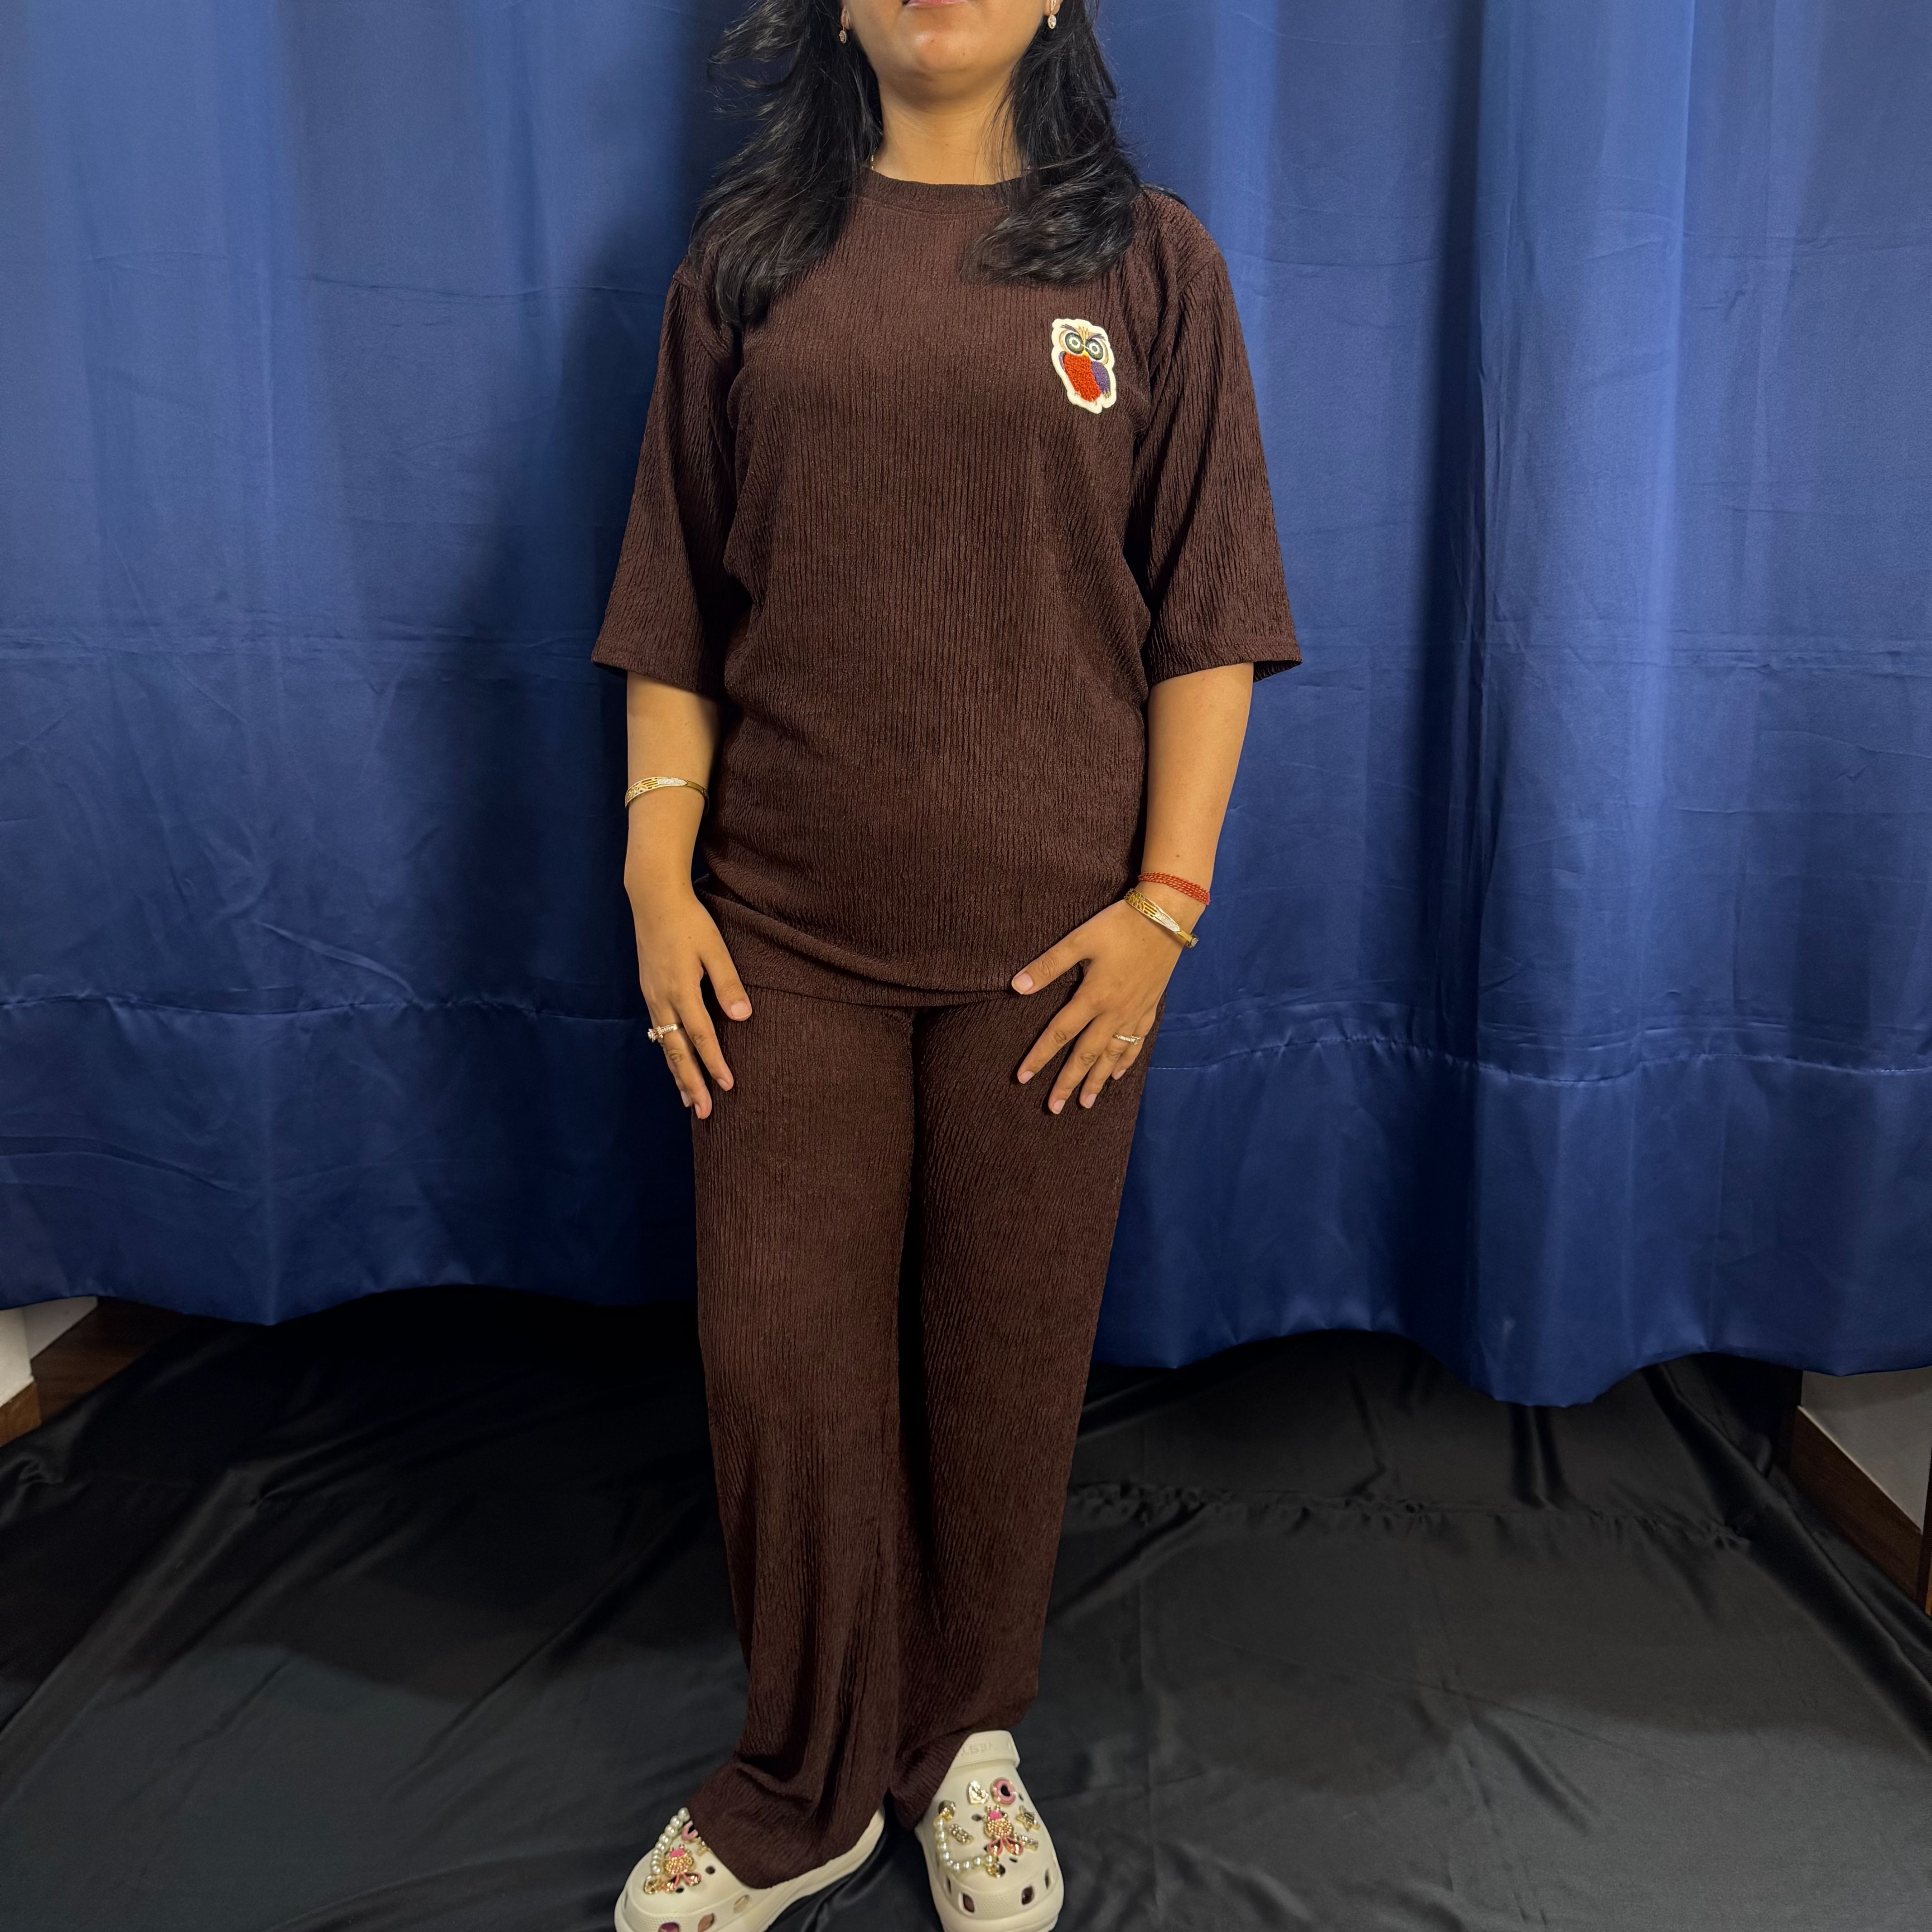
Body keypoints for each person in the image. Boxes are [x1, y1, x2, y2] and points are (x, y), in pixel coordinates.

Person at [591, 0, 1296, 1926]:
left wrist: (1164, 908)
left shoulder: (1150, 264)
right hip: (777, 943)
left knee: (1004, 1367)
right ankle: (805, 1779)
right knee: (781, 1371)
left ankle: (961, 1741)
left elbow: (1210, 616)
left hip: (1056, 961)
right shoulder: (746, 264)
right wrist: (658, 878)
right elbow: (672, 600)